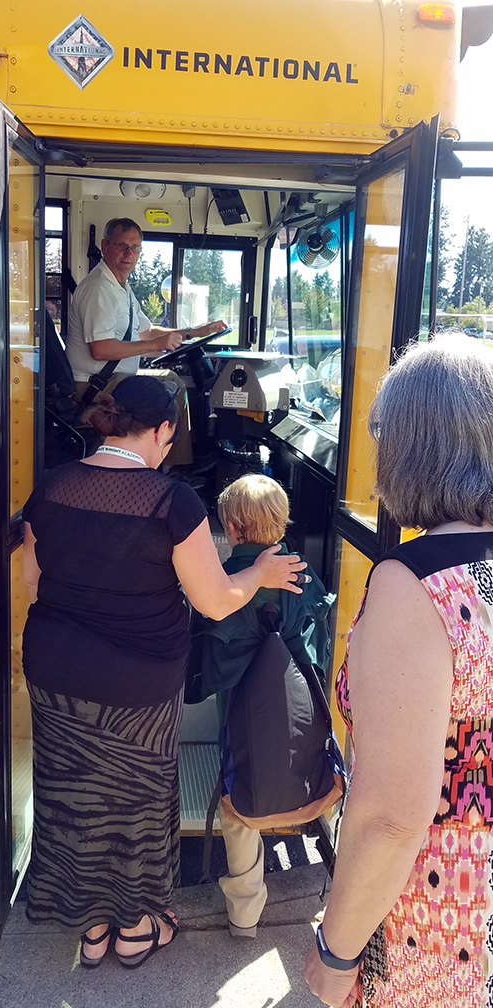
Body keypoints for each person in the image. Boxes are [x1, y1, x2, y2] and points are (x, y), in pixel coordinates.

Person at [21, 375, 306, 970]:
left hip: (54, 670)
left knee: (75, 795)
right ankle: (133, 929)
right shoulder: (170, 501)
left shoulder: (50, 487)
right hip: (139, 680)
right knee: (135, 801)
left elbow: (32, 584)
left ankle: (91, 930)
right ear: (165, 430)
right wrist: (258, 576)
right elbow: (214, 600)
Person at [304, 335, 493, 1008]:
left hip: (449, 920)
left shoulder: (415, 585)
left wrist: (336, 951)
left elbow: (391, 816)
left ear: (409, 448)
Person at [188, 474, 335, 939]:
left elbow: (208, 667)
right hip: (300, 708)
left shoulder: (225, 584)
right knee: (320, 778)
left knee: (240, 800)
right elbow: (320, 650)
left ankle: (245, 917)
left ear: (231, 528)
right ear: (283, 521)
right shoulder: (306, 577)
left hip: (240, 709)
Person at [66, 216, 226, 467]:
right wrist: (156, 344)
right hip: (94, 385)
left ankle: (176, 464)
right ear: (105, 246)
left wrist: (194, 331)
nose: (129, 253)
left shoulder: (120, 287)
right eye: (122, 245)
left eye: (135, 247)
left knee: (173, 382)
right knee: (169, 393)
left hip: (113, 379)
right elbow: (101, 349)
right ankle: (168, 470)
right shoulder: (99, 288)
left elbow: (147, 331)